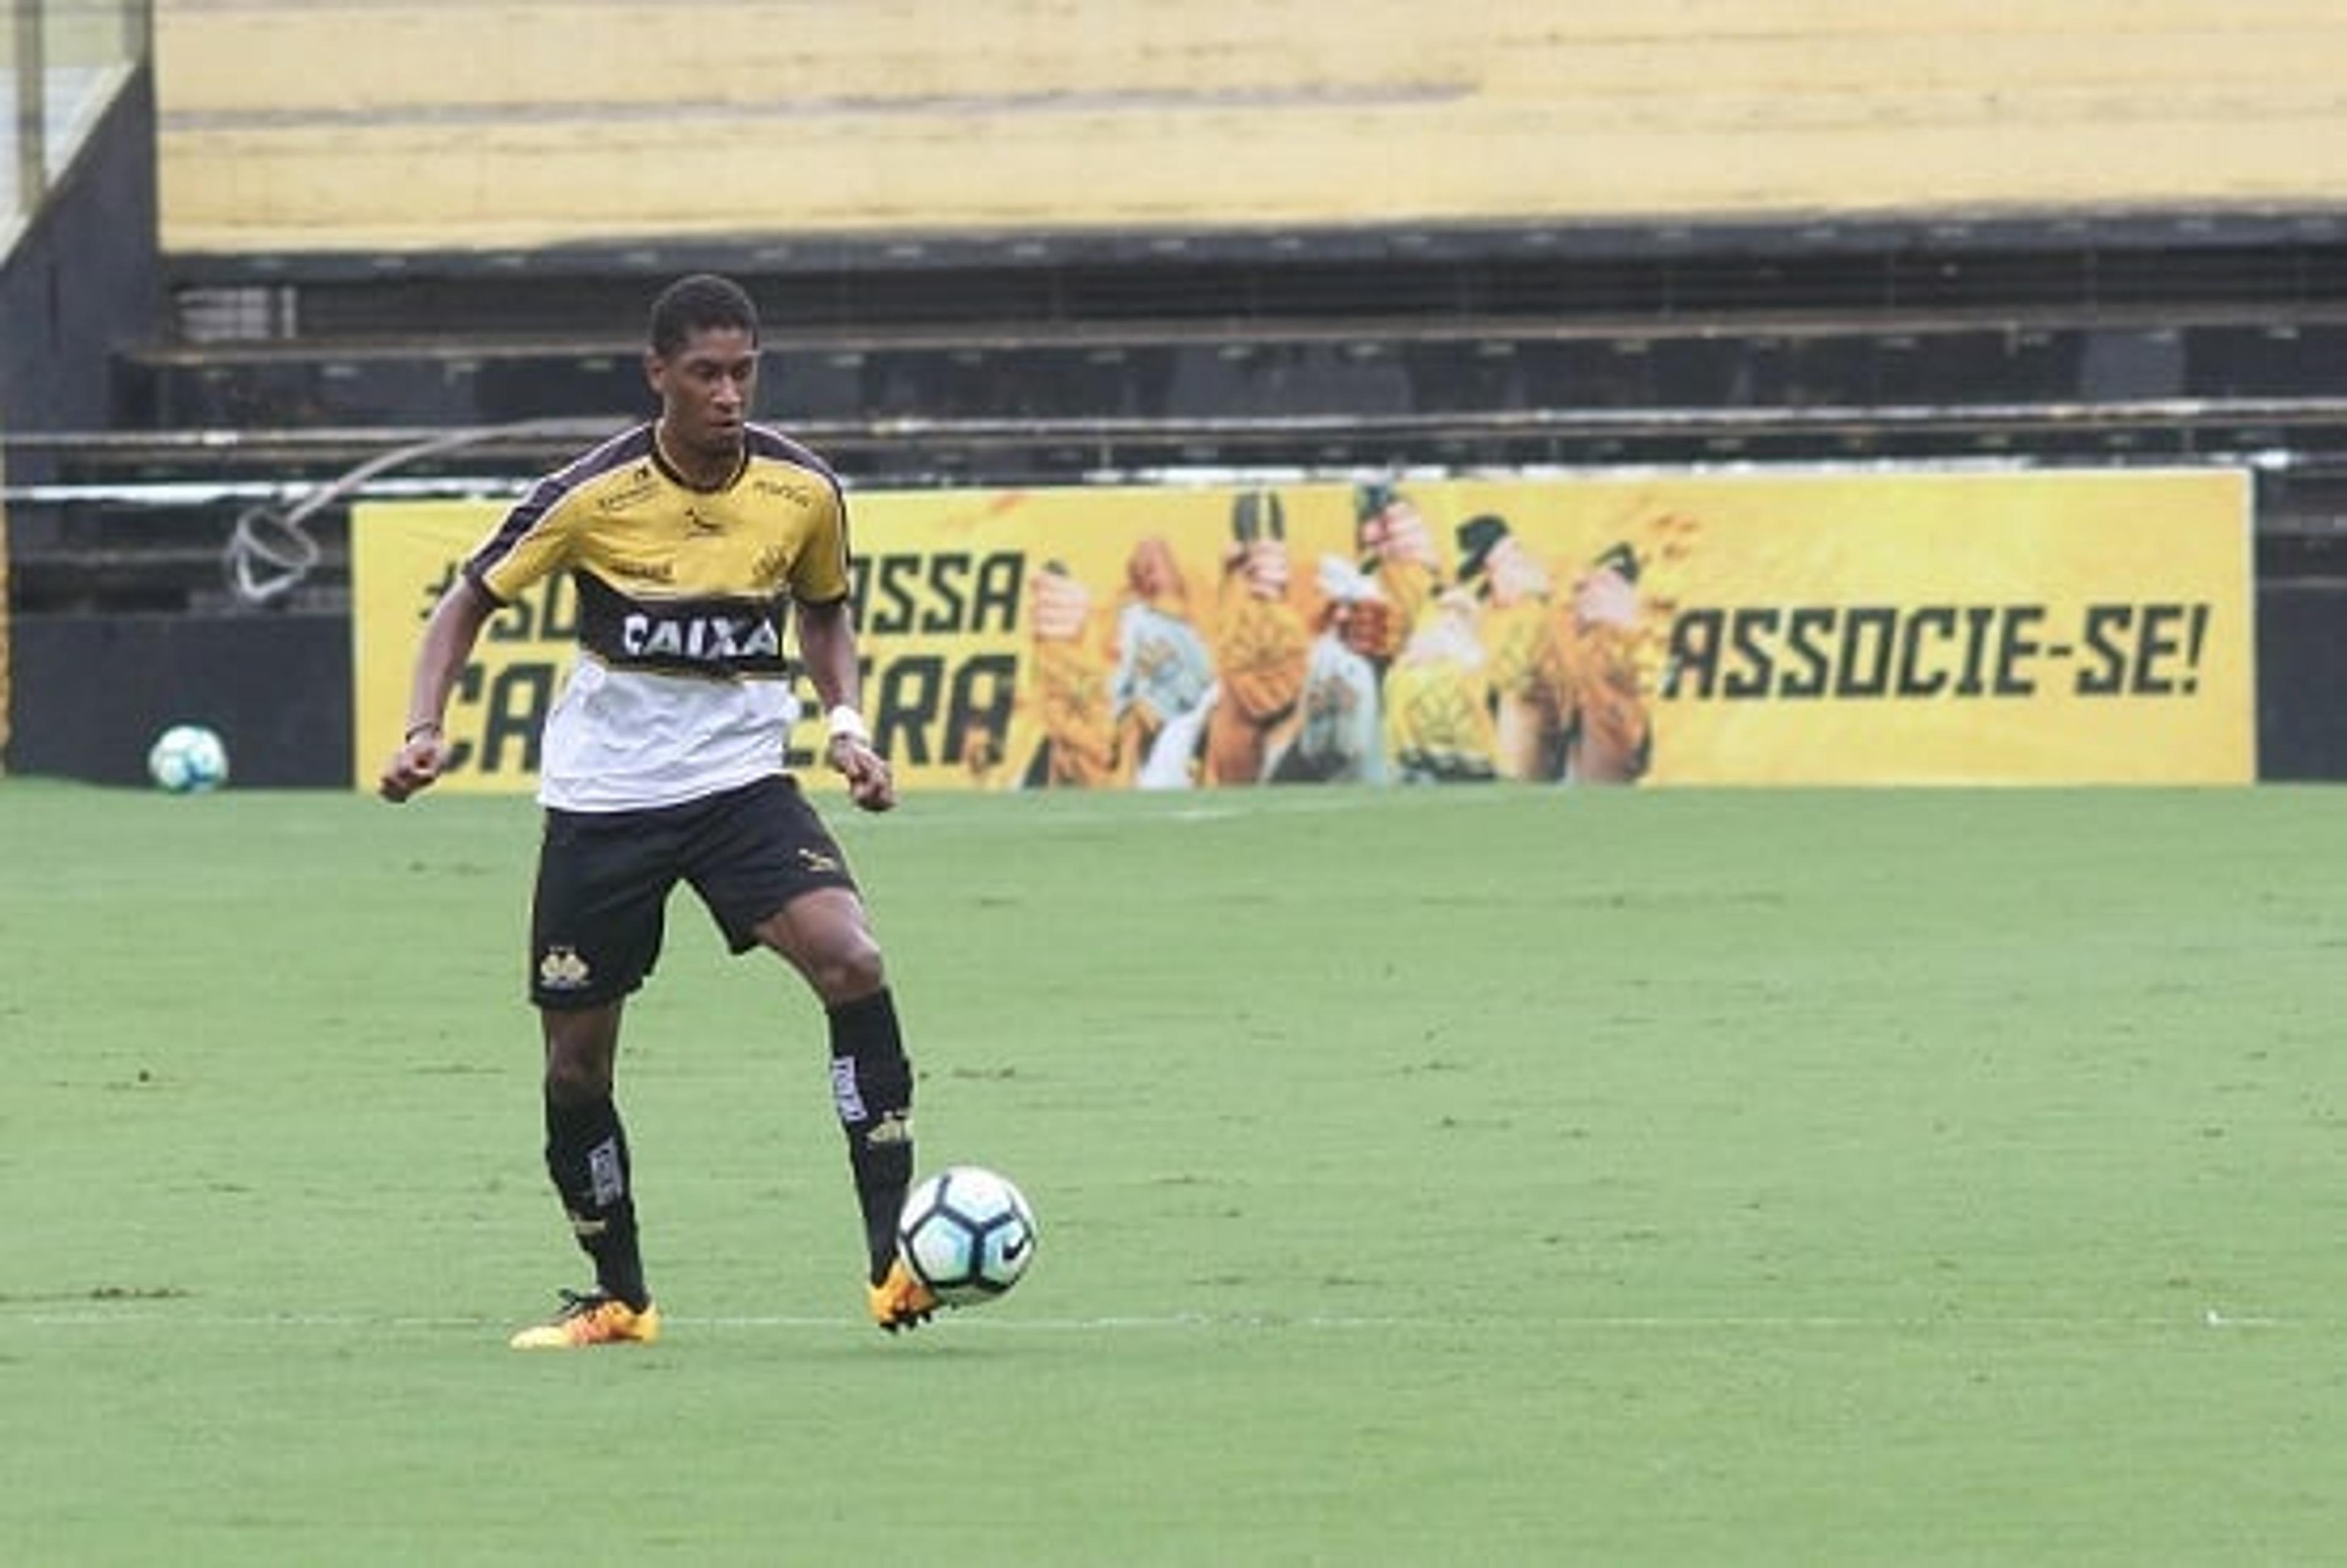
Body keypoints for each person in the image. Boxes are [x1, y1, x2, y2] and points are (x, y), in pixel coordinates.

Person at [378, 273, 938, 1347]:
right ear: (658, 376)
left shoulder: (804, 490)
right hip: (606, 803)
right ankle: (619, 1295)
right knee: (575, 1064)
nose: (729, 394)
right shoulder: (590, 495)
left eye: (744, 371)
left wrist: (849, 724)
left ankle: (893, 1260)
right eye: (705, 374)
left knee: (852, 961)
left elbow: (825, 613)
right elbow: (465, 604)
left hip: (742, 790)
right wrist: (421, 727)